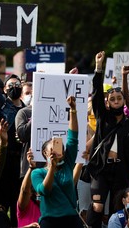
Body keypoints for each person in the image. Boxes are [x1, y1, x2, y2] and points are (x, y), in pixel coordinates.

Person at [86, 52, 129, 228]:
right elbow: (96, 94)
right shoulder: (102, 118)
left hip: (122, 172)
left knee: (116, 209)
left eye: (119, 98)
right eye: (112, 99)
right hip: (101, 170)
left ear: (124, 102)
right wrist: (98, 67)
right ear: (108, 103)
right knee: (97, 206)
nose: (116, 101)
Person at [0, 39, 25, 227]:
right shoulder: (0, 106)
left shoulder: (29, 111)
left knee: (18, 207)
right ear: (4, 90)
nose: (13, 87)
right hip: (0, 162)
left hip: (20, 165)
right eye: (9, 85)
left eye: (16, 84)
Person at [31, 96, 84, 227]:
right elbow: (44, 190)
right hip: (50, 221)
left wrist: (73, 110)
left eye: (59, 147)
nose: (57, 150)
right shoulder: (37, 173)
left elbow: (73, 138)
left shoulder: (67, 165)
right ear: (45, 153)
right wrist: (52, 168)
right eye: (53, 147)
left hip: (71, 219)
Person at [17, 148, 40, 228]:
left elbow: (71, 182)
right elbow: (24, 191)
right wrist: (31, 167)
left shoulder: (51, 204)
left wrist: (80, 162)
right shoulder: (26, 205)